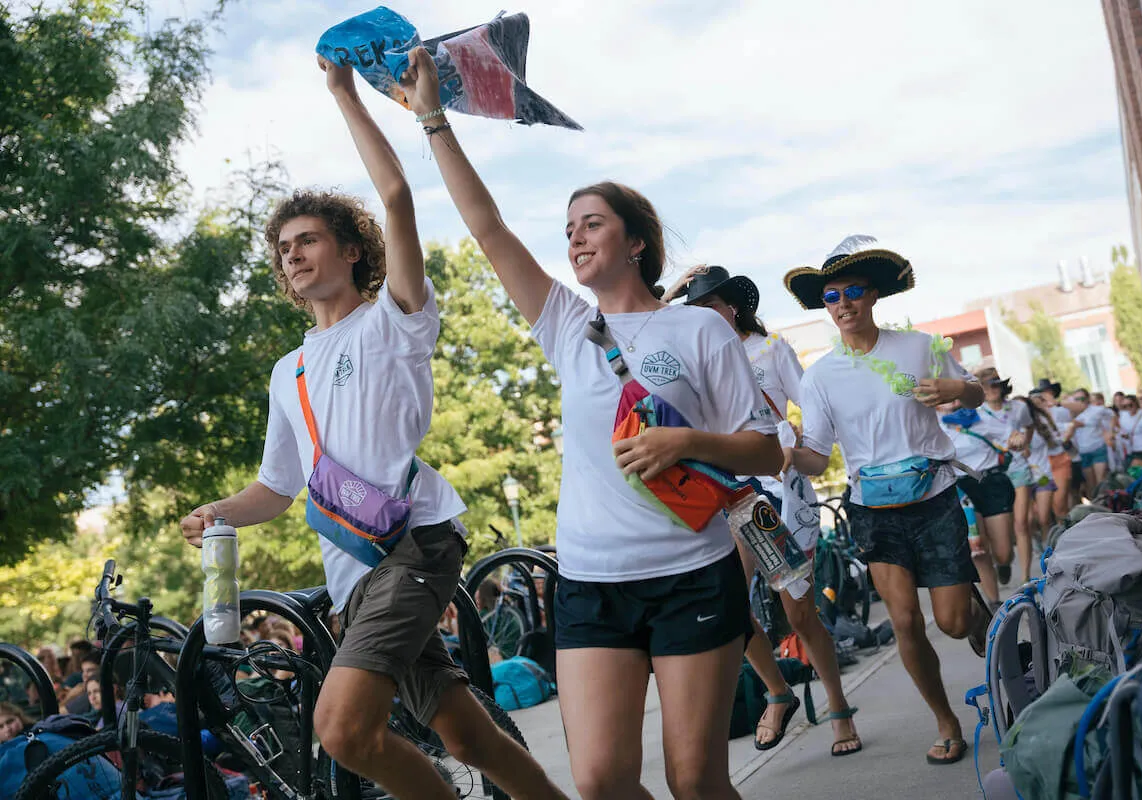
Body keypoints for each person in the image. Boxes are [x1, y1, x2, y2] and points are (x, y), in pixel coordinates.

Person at [399, 47, 783, 800]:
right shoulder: (566, 325)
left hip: (692, 576)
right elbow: (487, 228)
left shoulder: (700, 332)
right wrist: (432, 118)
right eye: (569, 227)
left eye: (593, 224)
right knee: (602, 782)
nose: (574, 237)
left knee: (695, 781)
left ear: (635, 241)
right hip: (588, 581)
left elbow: (768, 451)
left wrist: (688, 440)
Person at [178, 58, 566, 800]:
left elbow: (395, 195)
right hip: (351, 574)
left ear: (352, 250)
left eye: (308, 240)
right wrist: (216, 513)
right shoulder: (287, 371)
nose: (292, 255)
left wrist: (343, 94)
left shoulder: (394, 320)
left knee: (344, 730)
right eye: (284, 249)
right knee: (462, 732)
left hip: (414, 543)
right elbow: (275, 489)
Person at [782, 234, 989, 767]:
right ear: (824, 307)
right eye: (832, 296)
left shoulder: (921, 345)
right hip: (872, 508)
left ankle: (973, 608)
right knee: (903, 621)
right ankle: (945, 720)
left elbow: (977, 391)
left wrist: (956, 392)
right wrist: (780, 452)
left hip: (935, 496)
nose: (844, 304)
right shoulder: (820, 375)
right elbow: (815, 456)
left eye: (853, 291)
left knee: (953, 623)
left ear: (873, 296)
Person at [668, 265, 861, 756]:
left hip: (776, 491)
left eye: (709, 306)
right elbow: (640, 329)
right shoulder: (695, 361)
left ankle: (839, 709)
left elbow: (809, 402)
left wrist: (801, 445)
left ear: (732, 306)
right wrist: (671, 294)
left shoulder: (770, 349)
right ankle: (778, 691)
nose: (702, 317)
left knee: (798, 612)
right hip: (727, 490)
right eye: (695, 310)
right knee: (727, 605)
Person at [937, 396, 1016, 606]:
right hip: (960, 488)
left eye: (956, 398)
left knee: (1003, 552)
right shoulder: (930, 423)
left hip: (991, 483)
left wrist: (1018, 440)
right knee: (978, 549)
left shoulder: (981, 418)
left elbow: (1011, 434)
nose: (953, 404)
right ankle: (994, 602)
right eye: (948, 399)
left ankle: (1004, 563)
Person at [974, 368, 1032, 586]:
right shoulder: (976, 412)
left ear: (1002, 386)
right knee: (1003, 538)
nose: (991, 389)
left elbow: (1029, 426)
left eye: (995, 384)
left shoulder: (1018, 407)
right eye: (986, 385)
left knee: (1021, 524)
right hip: (993, 473)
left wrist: (1025, 444)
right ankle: (1004, 561)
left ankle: (1026, 578)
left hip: (1017, 468)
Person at [1019, 395, 1059, 571]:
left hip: (1043, 475)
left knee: (1043, 517)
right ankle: (1036, 540)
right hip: (1023, 478)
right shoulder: (1008, 426)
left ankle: (1048, 548)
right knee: (1027, 519)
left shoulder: (1040, 421)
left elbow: (1055, 441)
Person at [1034, 379, 1074, 519]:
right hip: (1039, 467)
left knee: (1059, 505)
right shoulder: (1027, 422)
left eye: (1042, 399)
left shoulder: (1058, 412)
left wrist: (1064, 438)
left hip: (1059, 461)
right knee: (1043, 512)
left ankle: (1066, 535)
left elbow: (1070, 426)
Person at [1064, 392, 1115, 496]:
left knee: (1101, 480)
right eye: (1076, 399)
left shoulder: (1097, 409)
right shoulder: (1070, 414)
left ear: (1087, 399)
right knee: (1090, 484)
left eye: (1081, 398)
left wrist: (1111, 432)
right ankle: (1095, 506)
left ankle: (1104, 502)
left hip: (1098, 448)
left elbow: (1112, 415)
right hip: (1083, 452)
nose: (1079, 401)